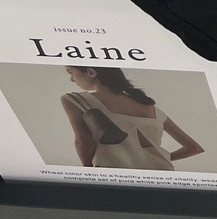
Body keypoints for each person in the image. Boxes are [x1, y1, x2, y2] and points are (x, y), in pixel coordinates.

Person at [60, 66, 204, 171]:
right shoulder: (151, 107)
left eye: (71, 72)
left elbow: (83, 142)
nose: (72, 79)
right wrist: (161, 157)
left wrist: (87, 170)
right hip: (162, 173)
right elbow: (194, 148)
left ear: (91, 72)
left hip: (114, 172)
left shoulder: (76, 100)